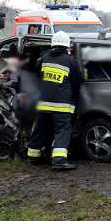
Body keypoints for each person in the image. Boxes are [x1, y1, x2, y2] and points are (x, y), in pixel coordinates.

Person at [27, 31, 85, 171]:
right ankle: (58, 160)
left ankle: (33, 157)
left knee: (40, 130)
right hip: (61, 105)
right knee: (63, 131)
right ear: (66, 46)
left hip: (44, 104)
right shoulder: (69, 61)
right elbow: (79, 80)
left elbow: (35, 68)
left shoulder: (45, 58)